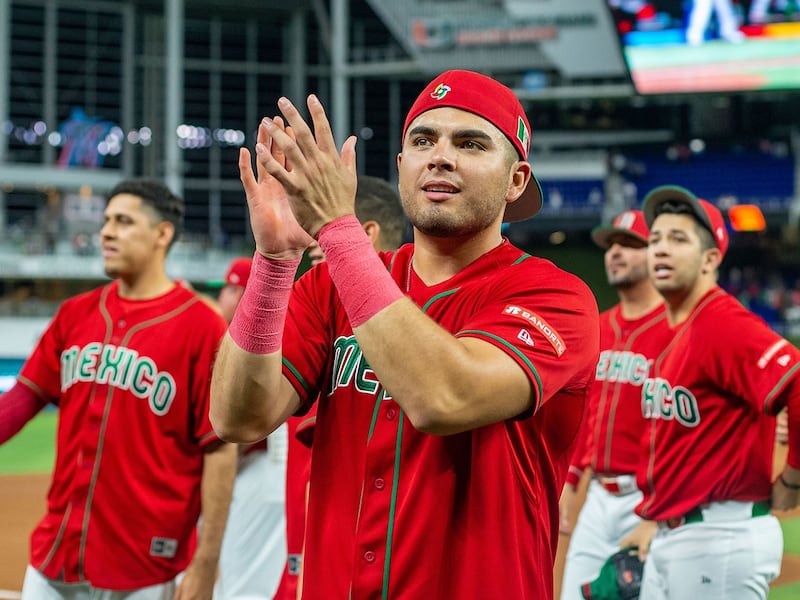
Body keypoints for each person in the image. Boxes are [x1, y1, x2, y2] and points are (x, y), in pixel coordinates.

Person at [209, 69, 600, 600]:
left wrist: (339, 232)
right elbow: (237, 417)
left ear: (516, 181)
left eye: (470, 143)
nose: (440, 156)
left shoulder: (554, 296)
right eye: (423, 140)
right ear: (401, 167)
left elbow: (445, 397)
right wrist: (276, 261)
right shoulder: (327, 287)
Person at [0, 178, 237, 599]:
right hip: (56, 554)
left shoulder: (202, 328)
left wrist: (205, 564)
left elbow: (218, 449)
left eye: (123, 221)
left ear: (162, 234)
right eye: (107, 220)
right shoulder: (76, 313)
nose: (106, 231)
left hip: (143, 566)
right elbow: (23, 398)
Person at [620, 185, 800, 599]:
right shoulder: (677, 332)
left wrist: (792, 477)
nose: (661, 249)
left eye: (678, 240)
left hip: (720, 536)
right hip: (682, 534)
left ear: (710, 260)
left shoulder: (720, 322)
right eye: (655, 239)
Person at [274, 174, 406, 600]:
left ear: (365, 232)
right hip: (333, 554)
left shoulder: (397, 319)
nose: (311, 242)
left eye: (321, 231)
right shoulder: (321, 304)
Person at [559, 210, 672, 600]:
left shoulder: (677, 329)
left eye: (630, 245)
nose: (616, 253)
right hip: (598, 497)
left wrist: (662, 514)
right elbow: (587, 418)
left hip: (653, 500)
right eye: (611, 246)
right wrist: (571, 490)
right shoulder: (600, 327)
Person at [214, 256, 289, 600]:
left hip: (265, 468)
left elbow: (237, 432)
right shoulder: (221, 335)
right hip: (245, 469)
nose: (226, 298)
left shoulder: (265, 338)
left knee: (248, 583)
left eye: (235, 290)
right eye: (226, 290)